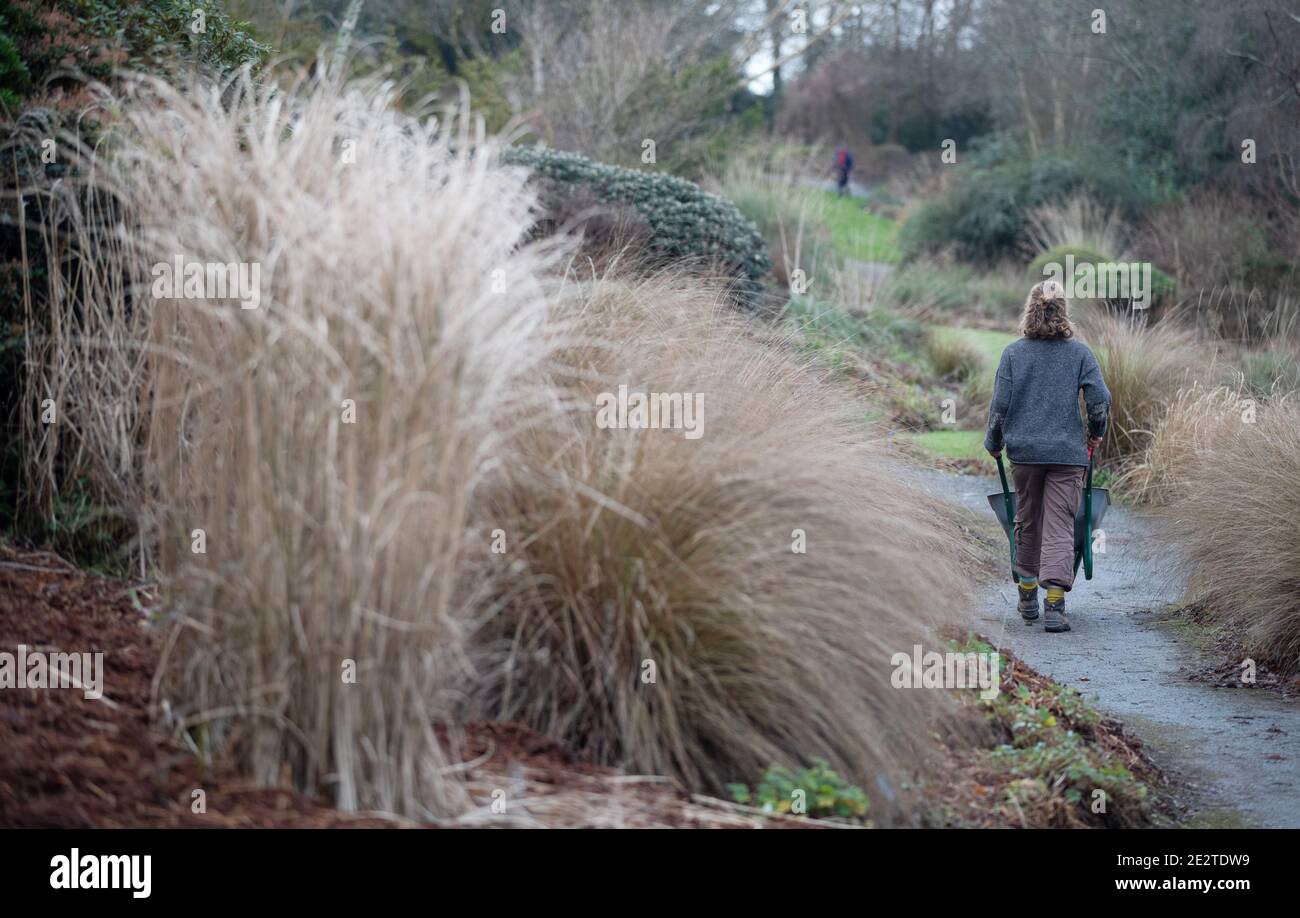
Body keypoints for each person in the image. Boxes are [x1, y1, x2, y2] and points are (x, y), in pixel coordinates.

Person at [984, 280, 1111, 633]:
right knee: (1059, 523)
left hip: (1025, 453)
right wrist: (1096, 433)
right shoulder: (1080, 354)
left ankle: (1027, 597)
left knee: (1027, 517)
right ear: (1063, 312)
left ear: (1030, 309)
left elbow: (1000, 407)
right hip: (1067, 454)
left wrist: (993, 442)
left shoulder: (1013, 354)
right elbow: (1099, 400)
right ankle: (1054, 604)